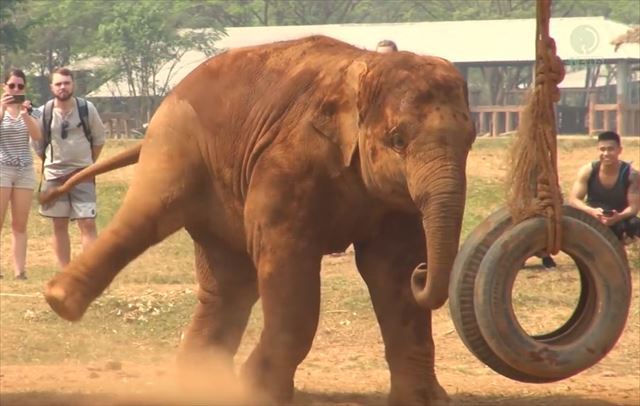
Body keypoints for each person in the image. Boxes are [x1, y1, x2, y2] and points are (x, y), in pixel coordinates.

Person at [33, 67, 106, 269]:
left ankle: (90, 273)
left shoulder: (86, 108)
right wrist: (51, 163)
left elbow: (99, 139)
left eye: (66, 83)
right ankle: (65, 273)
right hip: (54, 176)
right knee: (59, 224)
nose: (62, 87)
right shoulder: (44, 112)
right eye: (58, 84)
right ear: (51, 87)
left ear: (73, 84)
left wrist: (88, 164)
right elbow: (38, 145)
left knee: (87, 223)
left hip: (83, 174)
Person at [0, 69, 43, 279]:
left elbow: (37, 136)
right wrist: (2, 106)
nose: (15, 90)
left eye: (20, 86)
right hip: (2, 168)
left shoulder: (31, 111)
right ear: (4, 87)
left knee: (20, 223)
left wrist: (25, 114)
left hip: (24, 169)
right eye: (11, 86)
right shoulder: (1, 109)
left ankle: (20, 270)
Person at [568, 131, 640, 241]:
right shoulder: (588, 171)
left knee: (635, 224)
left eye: (610, 149)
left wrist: (618, 217)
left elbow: (633, 208)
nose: (606, 153)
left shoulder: (631, 174)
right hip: (594, 215)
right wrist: (591, 211)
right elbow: (573, 199)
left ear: (619, 150)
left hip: (620, 216)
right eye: (602, 149)